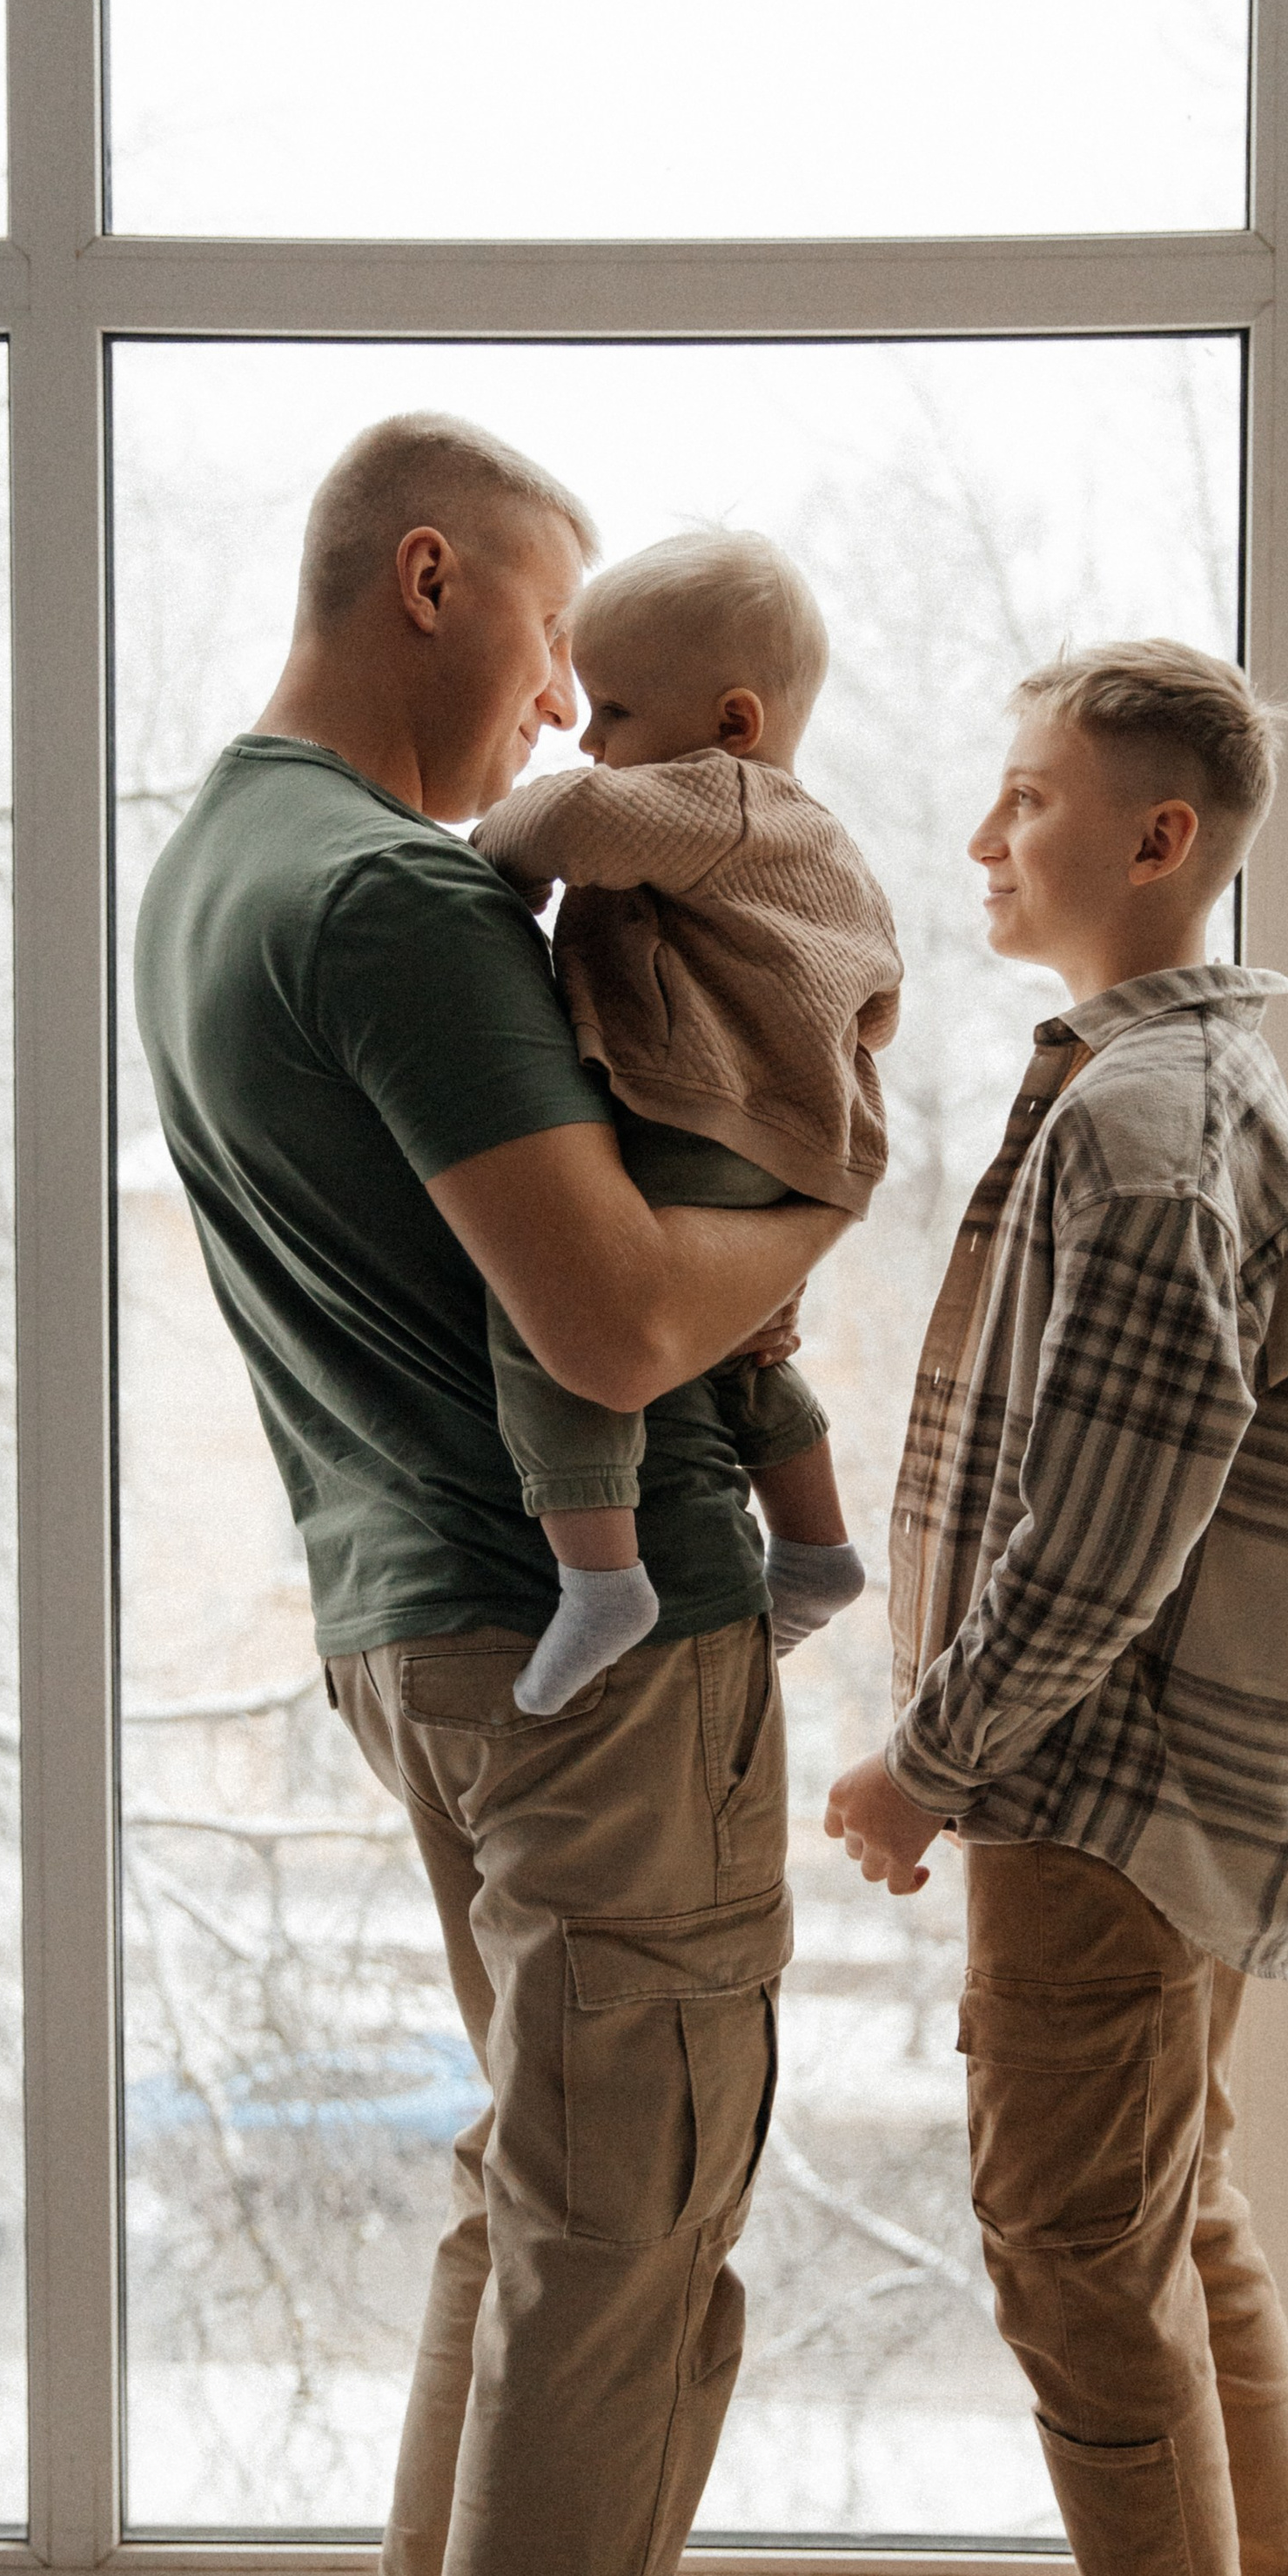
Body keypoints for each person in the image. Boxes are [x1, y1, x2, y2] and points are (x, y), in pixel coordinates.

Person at [133, 411, 846, 2576]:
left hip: (413, 1634)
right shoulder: (400, 904)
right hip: (598, 1656)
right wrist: (834, 1187)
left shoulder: (211, 863)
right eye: (556, 646)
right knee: (631, 2234)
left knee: (541, 2184)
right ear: (430, 580)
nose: (569, 713)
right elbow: (622, 1312)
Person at [825, 639, 1288, 2576]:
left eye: (1028, 795)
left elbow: (1107, 1535)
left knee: (1073, 2257)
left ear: (1160, 839)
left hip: (1098, 1805)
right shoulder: (1176, 1089)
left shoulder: (1145, 1126)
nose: (982, 835)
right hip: (1171, 1801)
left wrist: (919, 1766)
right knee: (1176, 2220)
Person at [470, 528, 901, 1715]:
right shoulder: (818, 842)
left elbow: (566, 829)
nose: (585, 739)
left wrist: (487, 862)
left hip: (708, 1116)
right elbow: (883, 995)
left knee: (557, 1320)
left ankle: (600, 1577)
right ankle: (815, 1548)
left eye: (610, 711)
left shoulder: (720, 800)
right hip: (790, 1134)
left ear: (734, 724)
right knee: (738, 1352)